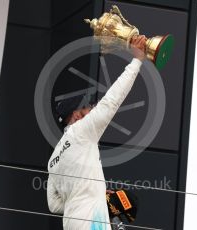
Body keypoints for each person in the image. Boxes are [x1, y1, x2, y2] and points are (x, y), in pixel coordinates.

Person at [46, 35, 147, 230]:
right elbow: (111, 101)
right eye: (88, 108)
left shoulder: (52, 160)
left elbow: (53, 205)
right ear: (76, 116)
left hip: (71, 223)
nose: (92, 110)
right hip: (92, 219)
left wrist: (90, 195)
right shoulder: (82, 130)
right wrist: (137, 60)